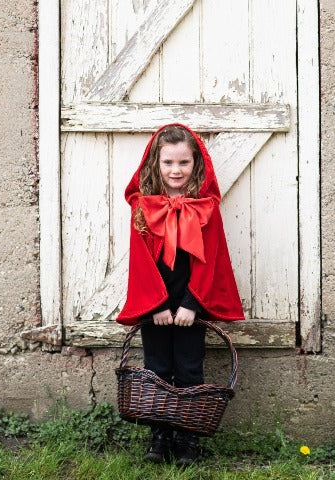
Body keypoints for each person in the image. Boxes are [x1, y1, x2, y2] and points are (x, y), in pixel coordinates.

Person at [117, 124, 244, 465]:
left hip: (191, 306)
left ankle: (188, 438)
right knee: (156, 369)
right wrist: (157, 304)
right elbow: (141, 261)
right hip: (155, 306)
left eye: (184, 162)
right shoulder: (143, 207)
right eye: (168, 162)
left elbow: (211, 260)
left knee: (189, 369)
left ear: (196, 164)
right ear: (155, 164)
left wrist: (191, 304)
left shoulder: (206, 208)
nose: (176, 170)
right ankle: (159, 436)